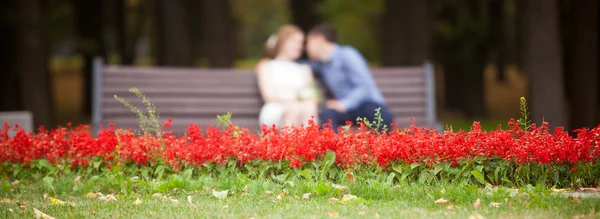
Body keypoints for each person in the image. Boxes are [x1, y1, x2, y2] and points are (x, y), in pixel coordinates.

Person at [304, 23, 394, 132]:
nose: (306, 48)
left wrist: (344, 104)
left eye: (308, 42)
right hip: (347, 110)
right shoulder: (321, 64)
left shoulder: (347, 54)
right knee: (328, 114)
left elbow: (364, 86)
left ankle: (380, 148)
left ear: (320, 39)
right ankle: (332, 147)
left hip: (366, 104)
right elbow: (299, 64)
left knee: (382, 118)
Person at [256, 25, 319, 128]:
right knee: (294, 107)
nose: (299, 46)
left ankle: (309, 142)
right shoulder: (266, 66)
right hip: (275, 110)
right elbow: (268, 96)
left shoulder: (304, 69)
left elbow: (313, 95)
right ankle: (289, 143)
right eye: (295, 41)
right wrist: (293, 100)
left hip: (301, 110)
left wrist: (304, 100)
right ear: (283, 42)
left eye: (301, 43)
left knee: (309, 106)